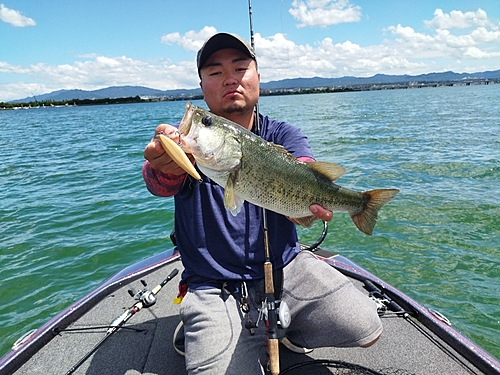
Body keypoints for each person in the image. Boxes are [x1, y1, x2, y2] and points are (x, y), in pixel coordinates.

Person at [143, 33, 382, 374]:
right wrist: (160, 163)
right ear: (201, 83)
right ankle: (201, 323)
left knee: (366, 327)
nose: (230, 78)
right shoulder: (188, 146)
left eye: (240, 68)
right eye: (215, 72)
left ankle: (287, 327)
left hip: (286, 267)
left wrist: (307, 211)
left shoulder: (285, 134)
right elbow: (158, 182)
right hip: (213, 284)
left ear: (257, 76)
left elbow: (303, 167)